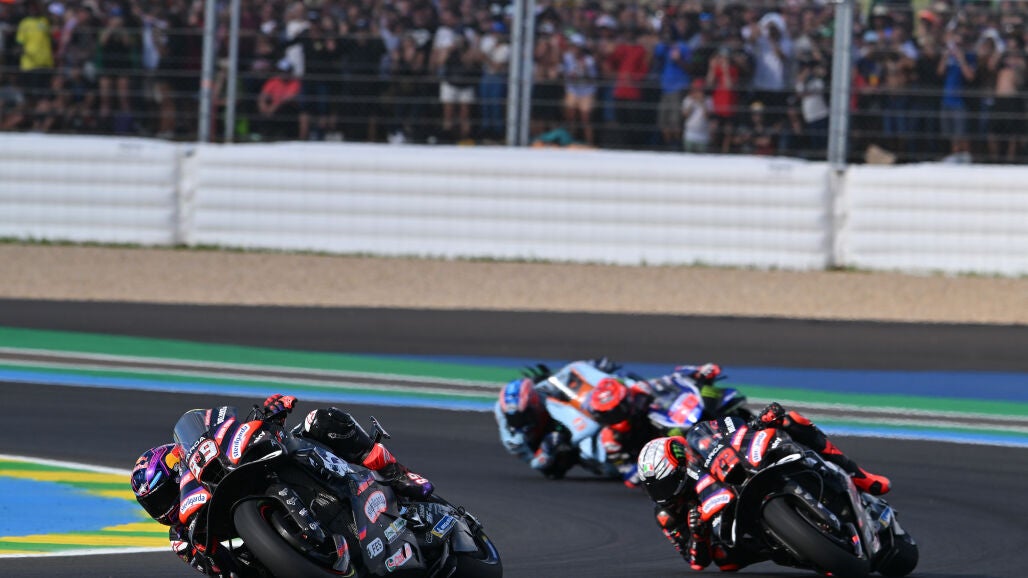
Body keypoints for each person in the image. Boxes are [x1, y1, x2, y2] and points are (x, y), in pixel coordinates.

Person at [131, 394, 433, 576]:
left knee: (319, 420)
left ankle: (396, 473)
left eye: (163, 495)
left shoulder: (204, 463)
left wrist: (271, 415)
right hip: (270, 558)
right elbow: (223, 572)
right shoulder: (183, 537)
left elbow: (244, 431)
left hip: (289, 467)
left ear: (177, 470)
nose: (163, 509)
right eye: (153, 506)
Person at [637, 402, 891, 572]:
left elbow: (732, 427)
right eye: (656, 488)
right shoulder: (667, 515)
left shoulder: (699, 445)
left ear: (682, 467)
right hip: (735, 536)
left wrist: (760, 422)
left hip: (747, 473)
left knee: (791, 420)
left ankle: (861, 476)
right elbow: (696, 562)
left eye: (666, 483)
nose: (663, 494)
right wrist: (698, 533)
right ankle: (804, 549)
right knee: (725, 561)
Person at [495, 360, 736, 485]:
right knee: (583, 453)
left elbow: (663, 381)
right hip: (581, 451)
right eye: (518, 418)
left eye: (525, 415)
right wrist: (549, 452)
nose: (521, 421)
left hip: (593, 414)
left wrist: (696, 373)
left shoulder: (546, 394)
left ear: (535, 404)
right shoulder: (513, 436)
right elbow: (538, 464)